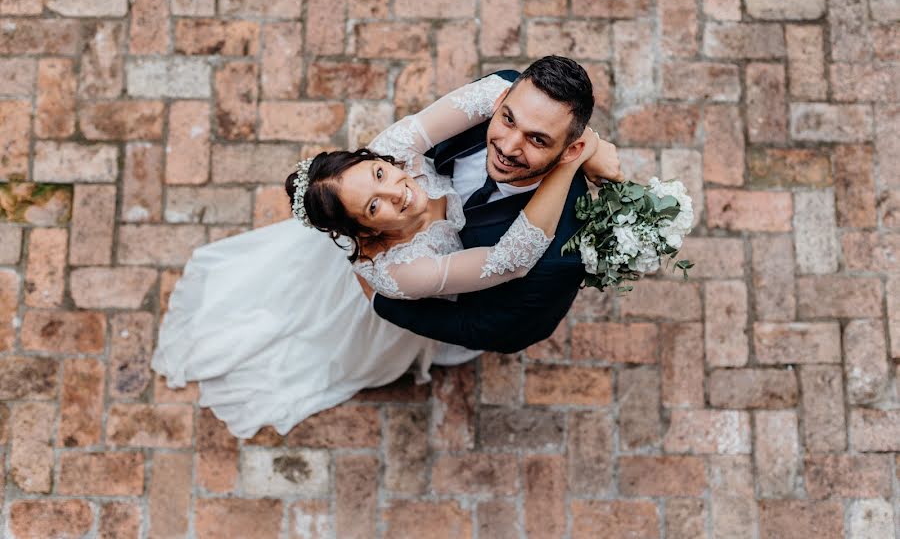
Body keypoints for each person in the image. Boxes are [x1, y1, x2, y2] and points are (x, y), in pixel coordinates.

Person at [152, 56, 622, 438]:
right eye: (374, 208)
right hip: (406, 294)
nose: (397, 191)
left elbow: (492, 93)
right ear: (366, 231)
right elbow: (509, 261)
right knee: (337, 333)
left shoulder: (394, 149)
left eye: (380, 175)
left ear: (376, 160)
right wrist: (570, 161)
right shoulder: (400, 272)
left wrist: (587, 146)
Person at [373, 56, 621, 353]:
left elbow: (497, 333)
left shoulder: (562, 255)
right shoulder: (494, 92)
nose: (508, 147)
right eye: (508, 120)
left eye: (537, 140)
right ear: (501, 98)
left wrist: (381, 300)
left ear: (572, 150)